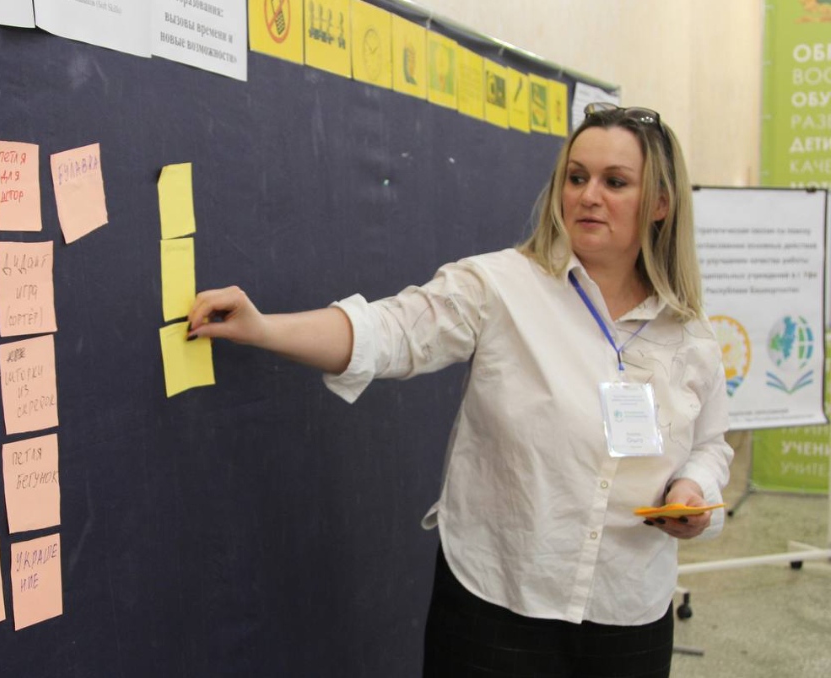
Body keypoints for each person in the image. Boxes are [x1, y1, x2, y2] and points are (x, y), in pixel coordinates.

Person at [187, 103, 733, 678]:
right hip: (499, 601)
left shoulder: (688, 332)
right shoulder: (500, 286)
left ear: (661, 204)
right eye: (576, 177)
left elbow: (710, 443)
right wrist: (264, 328)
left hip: (630, 609)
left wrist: (693, 491)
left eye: (614, 182)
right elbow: (392, 331)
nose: (588, 196)